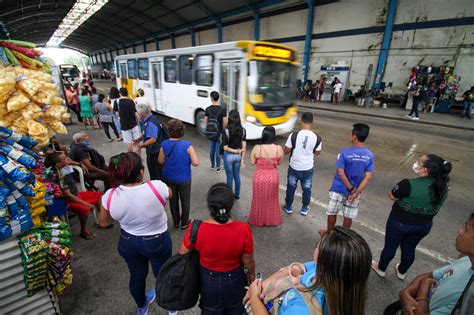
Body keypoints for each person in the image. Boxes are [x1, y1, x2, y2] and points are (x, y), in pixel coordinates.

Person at [98, 152, 173, 315]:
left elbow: (103, 222)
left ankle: (142, 306)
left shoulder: (109, 196)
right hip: (157, 240)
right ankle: (171, 308)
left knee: (137, 275)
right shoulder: (156, 187)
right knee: (163, 274)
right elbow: (170, 193)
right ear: (140, 172)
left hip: (128, 241)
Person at [245, 226, 372, 315]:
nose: (316, 246)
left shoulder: (301, 309)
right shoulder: (332, 275)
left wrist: (254, 296)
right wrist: (291, 271)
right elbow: (299, 267)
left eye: (318, 245)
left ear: (325, 263)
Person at [178, 183, 256, 314]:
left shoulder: (196, 228)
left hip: (207, 280)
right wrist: (251, 274)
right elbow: (249, 260)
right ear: (231, 205)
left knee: (210, 309)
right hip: (235, 279)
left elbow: (182, 253)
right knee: (235, 309)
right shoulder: (243, 229)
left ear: (210, 205)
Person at [372, 154, 452, 280]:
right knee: (410, 248)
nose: (416, 163)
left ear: (425, 169)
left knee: (390, 246)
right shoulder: (444, 187)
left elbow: (392, 196)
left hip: (399, 223)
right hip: (423, 225)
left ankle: (381, 268)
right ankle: (401, 271)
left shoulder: (408, 184)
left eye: (419, 162)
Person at [384, 213, 474, 315]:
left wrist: (423, 287)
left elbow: (425, 280)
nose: (460, 231)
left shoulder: (468, 299)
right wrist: (405, 293)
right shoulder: (466, 261)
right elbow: (427, 276)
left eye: (466, 229)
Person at [319, 123, 374, 236]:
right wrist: (355, 192)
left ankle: (329, 234)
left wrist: (350, 188)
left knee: (332, 212)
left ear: (354, 136)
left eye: (351, 133)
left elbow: (340, 172)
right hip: (355, 191)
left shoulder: (344, 152)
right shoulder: (369, 155)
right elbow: (368, 176)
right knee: (348, 215)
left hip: (339, 188)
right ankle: (343, 237)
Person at [45, 152, 101, 240]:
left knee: (98, 195)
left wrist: (80, 164)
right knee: (85, 209)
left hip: (75, 194)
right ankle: (83, 230)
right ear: (58, 164)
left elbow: (69, 161)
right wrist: (86, 204)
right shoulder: (58, 176)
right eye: (65, 158)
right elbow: (69, 196)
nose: (68, 159)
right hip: (65, 200)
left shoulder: (62, 165)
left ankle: (102, 220)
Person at [158, 119, 199, 229]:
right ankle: (184, 223)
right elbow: (196, 163)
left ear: (169, 131)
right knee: (185, 201)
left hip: (169, 177)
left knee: (173, 200)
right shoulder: (187, 145)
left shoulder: (164, 144)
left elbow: (160, 161)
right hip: (184, 178)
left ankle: (176, 222)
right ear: (182, 131)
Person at [282, 112, 322, 216]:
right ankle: (304, 208)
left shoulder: (294, 135)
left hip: (294, 167)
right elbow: (317, 153)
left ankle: (289, 207)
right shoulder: (317, 138)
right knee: (307, 188)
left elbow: (286, 151)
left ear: (301, 121)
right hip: (308, 168)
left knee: (291, 187)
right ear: (312, 123)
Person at [249, 127, 284, 226]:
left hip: (259, 177)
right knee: (272, 200)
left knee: (258, 200)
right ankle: (272, 221)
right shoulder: (278, 148)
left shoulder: (257, 148)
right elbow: (280, 163)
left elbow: (252, 162)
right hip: (273, 177)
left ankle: (258, 221)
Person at [135, 103, 166, 181]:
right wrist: (139, 139)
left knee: (155, 172)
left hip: (155, 152)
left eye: (137, 113)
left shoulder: (151, 123)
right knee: (157, 170)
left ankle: (158, 187)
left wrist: (141, 145)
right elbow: (147, 133)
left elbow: (153, 139)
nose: (136, 115)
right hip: (155, 150)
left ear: (141, 114)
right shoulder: (150, 119)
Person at [222, 110, 246, 200]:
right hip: (238, 156)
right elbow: (244, 147)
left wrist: (235, 152)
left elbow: (225, 148)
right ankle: (237, 196)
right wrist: (242, 159)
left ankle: (229, 197)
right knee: (237, 176)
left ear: (230, 118)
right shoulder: (243, 131)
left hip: (228, 156)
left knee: (229, 177)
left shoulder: (226, 131)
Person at [205, 91, 227, 172]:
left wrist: (210, 128)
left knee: (211, 149)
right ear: (218, 98)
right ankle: (218, 167)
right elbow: (225, 122)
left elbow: (206, 121)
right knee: (218, 150)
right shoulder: (223, 110)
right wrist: (222, 130)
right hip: (219, 133)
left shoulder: (207, 109)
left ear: (211, 98)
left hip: (210, 132)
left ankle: (212, 165)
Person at [114, 87, 140, 152]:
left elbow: (117, 114)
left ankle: (131, 159)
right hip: (134, 124)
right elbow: (135, 113)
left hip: (124, 126)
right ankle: (139, 157)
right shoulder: (131, 101)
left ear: (120, 94)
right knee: (137, 142)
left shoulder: (116, 102)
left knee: (129, 144)